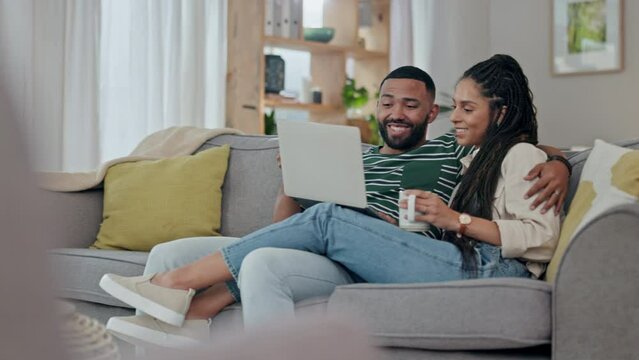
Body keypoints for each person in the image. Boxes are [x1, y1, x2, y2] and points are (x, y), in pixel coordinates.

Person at [100, 58, 565, 347]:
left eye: (464, 108)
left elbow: (526, 158)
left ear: (430, 114)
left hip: (397, 248)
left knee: (318, 224)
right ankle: (175, 298)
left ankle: (180, 289)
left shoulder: (457, 150)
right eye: (387, 102)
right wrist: (293, 180)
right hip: (326, 237)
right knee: (172, 248)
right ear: (375, 107)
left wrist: (557, 163)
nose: (396, 113)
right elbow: (283, 223)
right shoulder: (361, 156)